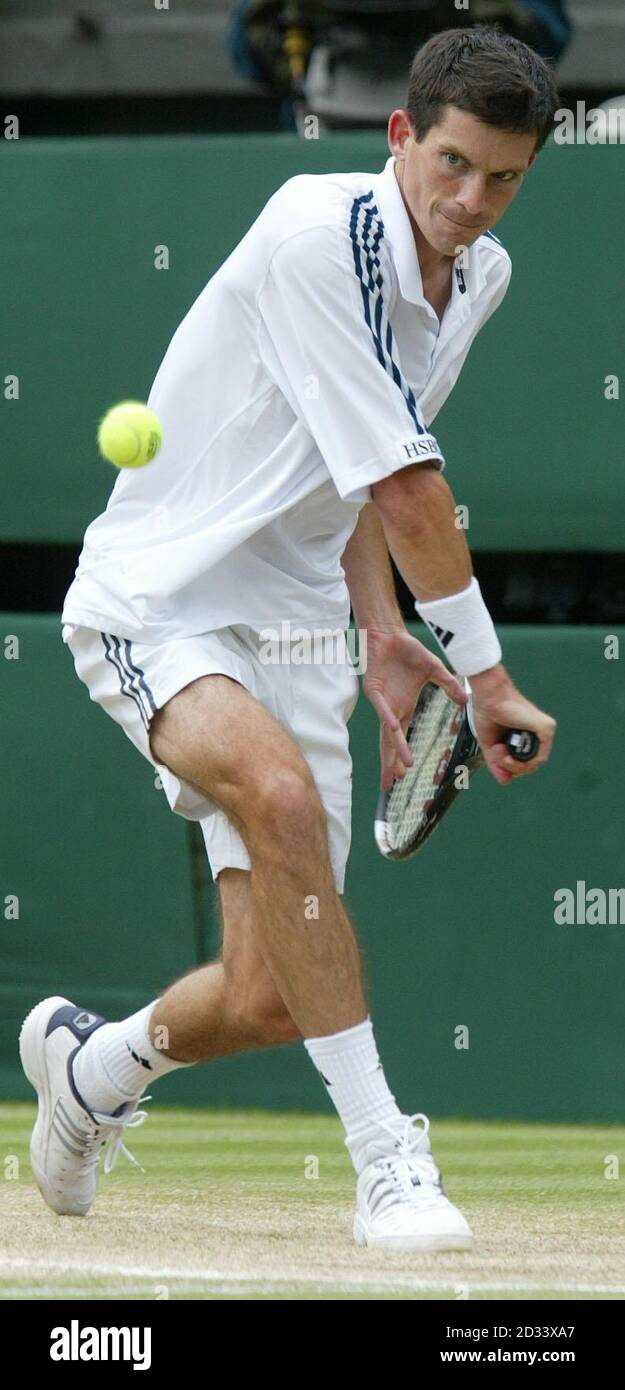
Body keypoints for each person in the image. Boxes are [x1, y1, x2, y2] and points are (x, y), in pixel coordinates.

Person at [20, 26, 557, 1251]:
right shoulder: (314, 231)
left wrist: (377, 629)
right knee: (277, 795)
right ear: (400, 137)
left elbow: (364, 471)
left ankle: (91, 1068)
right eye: (454, 165)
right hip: (164, 598)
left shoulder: (480, 279)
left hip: (309, 622)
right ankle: (387, 1165)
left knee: (269, 994)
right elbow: (417, 492)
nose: (471, 203)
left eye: (506, 178)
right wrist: (485, 674)